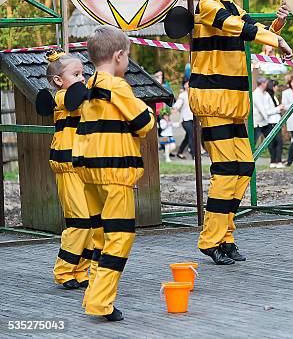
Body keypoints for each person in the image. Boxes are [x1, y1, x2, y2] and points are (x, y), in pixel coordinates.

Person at [190, 0, 292, 265]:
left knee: (244, 166)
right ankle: (211, 239)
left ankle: (225, 235)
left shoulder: (230, 4)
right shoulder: (207, 4)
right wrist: (274, 39)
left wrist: (276, 27)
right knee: (225, 169)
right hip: (214, 98)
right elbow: (235, 27)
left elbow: (250, 26)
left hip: (233, 100)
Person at [72, 25, 155, 321]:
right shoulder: (117, 86)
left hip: (89, 171)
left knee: (99, 237)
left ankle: (93, 294)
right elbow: (144, 122)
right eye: (128, 57)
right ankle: (100, 301)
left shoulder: (89, 85)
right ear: (119, 56)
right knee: (119, 237)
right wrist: (147, 110)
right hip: (115, 172)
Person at [44, 50, 93, 290]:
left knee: (92, 222)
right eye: (76, 74)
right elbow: (77, 100)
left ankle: (82, 270)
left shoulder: (80, 97)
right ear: (58, 81)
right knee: (79, 221)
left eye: (83, 73)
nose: (82, 78)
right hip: (68, 166)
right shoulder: (62, 97)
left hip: (84, 165)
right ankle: (64, 270)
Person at [264, 79, 285, 168]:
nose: (277, 88)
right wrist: (278, 108)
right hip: (270, 122)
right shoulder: (267, 96)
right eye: (275, 86)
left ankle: (276, 160)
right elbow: (267, 111)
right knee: (274, 142)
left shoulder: (274, 96)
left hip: (276, 121)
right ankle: (275, 161)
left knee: (278, 142)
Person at [173, 80, 195, 159]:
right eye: (186, 84)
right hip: (185, 119)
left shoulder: (194, 93)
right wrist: (175, 108)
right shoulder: (182, 95)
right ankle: (194, 154)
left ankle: (180, 152)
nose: (188, 85)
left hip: (193, 119)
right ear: (184, 85)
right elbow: (178, 103)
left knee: (188, 137)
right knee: (192, 134)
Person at [252, 76, 270, 143]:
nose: (266, 85)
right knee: (254, 141)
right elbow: (261, 109)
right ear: (262, 83)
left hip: (263, 122)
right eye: (266, 83)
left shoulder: (263, 93)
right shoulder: (256, 94)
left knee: (270, 139)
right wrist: (268, 119)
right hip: (257, 123)